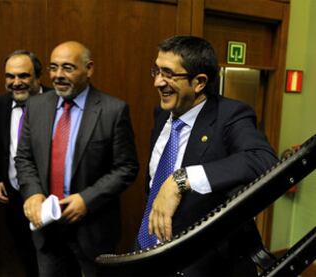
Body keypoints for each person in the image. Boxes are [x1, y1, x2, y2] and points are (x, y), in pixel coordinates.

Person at [137, 35, 278, 276]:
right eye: (156, 71)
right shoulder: (162, 114)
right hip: (152, 253)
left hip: (204, 265)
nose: (157, 82)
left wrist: (179, 180)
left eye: (168, 74)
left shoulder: (231, 115)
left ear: (199, 82)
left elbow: (263, 159)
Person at [15, 41, 139, 277]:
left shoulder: (113, 110)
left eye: (68, 68)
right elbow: (24, 157)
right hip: (47, 229)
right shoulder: (36, 105)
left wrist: (87, 200)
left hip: (93, 228)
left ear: (89, 69)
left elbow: (126, 167)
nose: (58, 75)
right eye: (53, 67)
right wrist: (32, 192)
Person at [0, 49, 51, 277]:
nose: (16, 82)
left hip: (53, 200)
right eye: (10, 76)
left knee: (56, 260)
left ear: (38, 76)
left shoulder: (58, 102)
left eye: (23, 76)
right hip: (15, 199)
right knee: (27, 257)